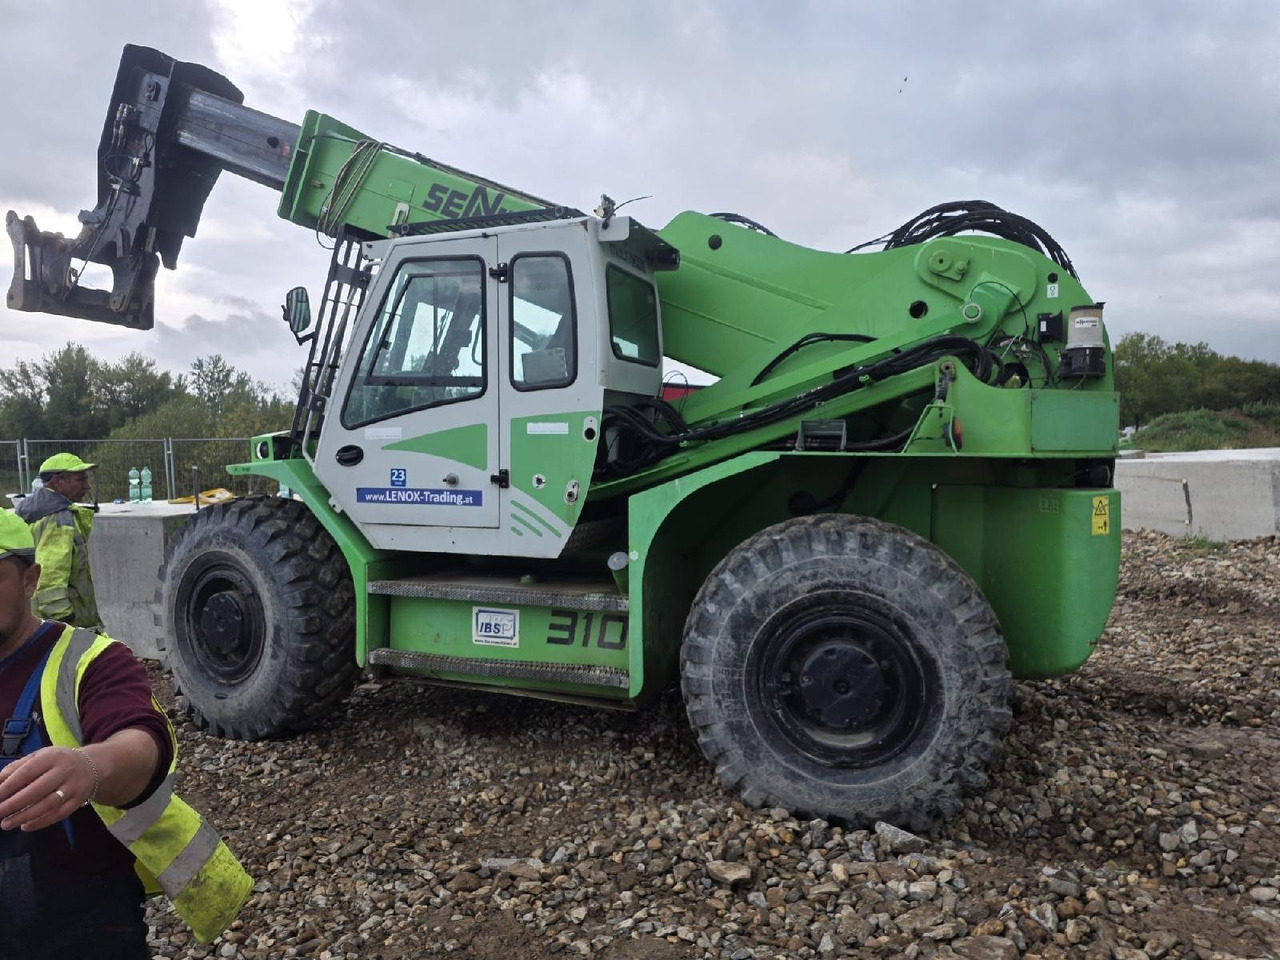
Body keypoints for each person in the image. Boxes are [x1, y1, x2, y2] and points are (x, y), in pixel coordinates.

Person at [0, 509, 251, 958]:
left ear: (29, 579)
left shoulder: (89, 661)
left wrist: (90, 766)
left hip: (78, 921)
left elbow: (141, 741)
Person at [14, 452, 103, 630]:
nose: (86, 486)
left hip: (40, 618)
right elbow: (50, 574)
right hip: (64, 623)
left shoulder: (35, 511)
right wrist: (63, 618)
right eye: (80, 480)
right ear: (57, 482)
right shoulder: (58, 517)